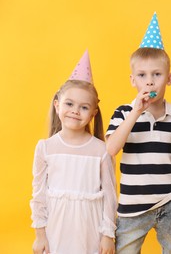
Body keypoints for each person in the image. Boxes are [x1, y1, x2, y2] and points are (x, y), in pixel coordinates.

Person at [106, 13, 171, 254]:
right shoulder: (123, 113)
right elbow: (111, 150)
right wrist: (136, 112)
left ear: (169, 78)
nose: (150, 82)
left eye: (157, 74)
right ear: (133, 80)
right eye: (142, 76)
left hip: (170, 203)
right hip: (132, 207)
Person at [30, 51, 117, 254]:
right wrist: (40, 235)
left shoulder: (101, 150)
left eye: (84, 107)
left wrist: (108, 235)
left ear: (93, 113)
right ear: (57, 105)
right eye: (69, 104)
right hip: (56, 229)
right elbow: (39, 194)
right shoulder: (45, 147)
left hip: (90, 229)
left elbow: (110, 196)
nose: (75, 111)